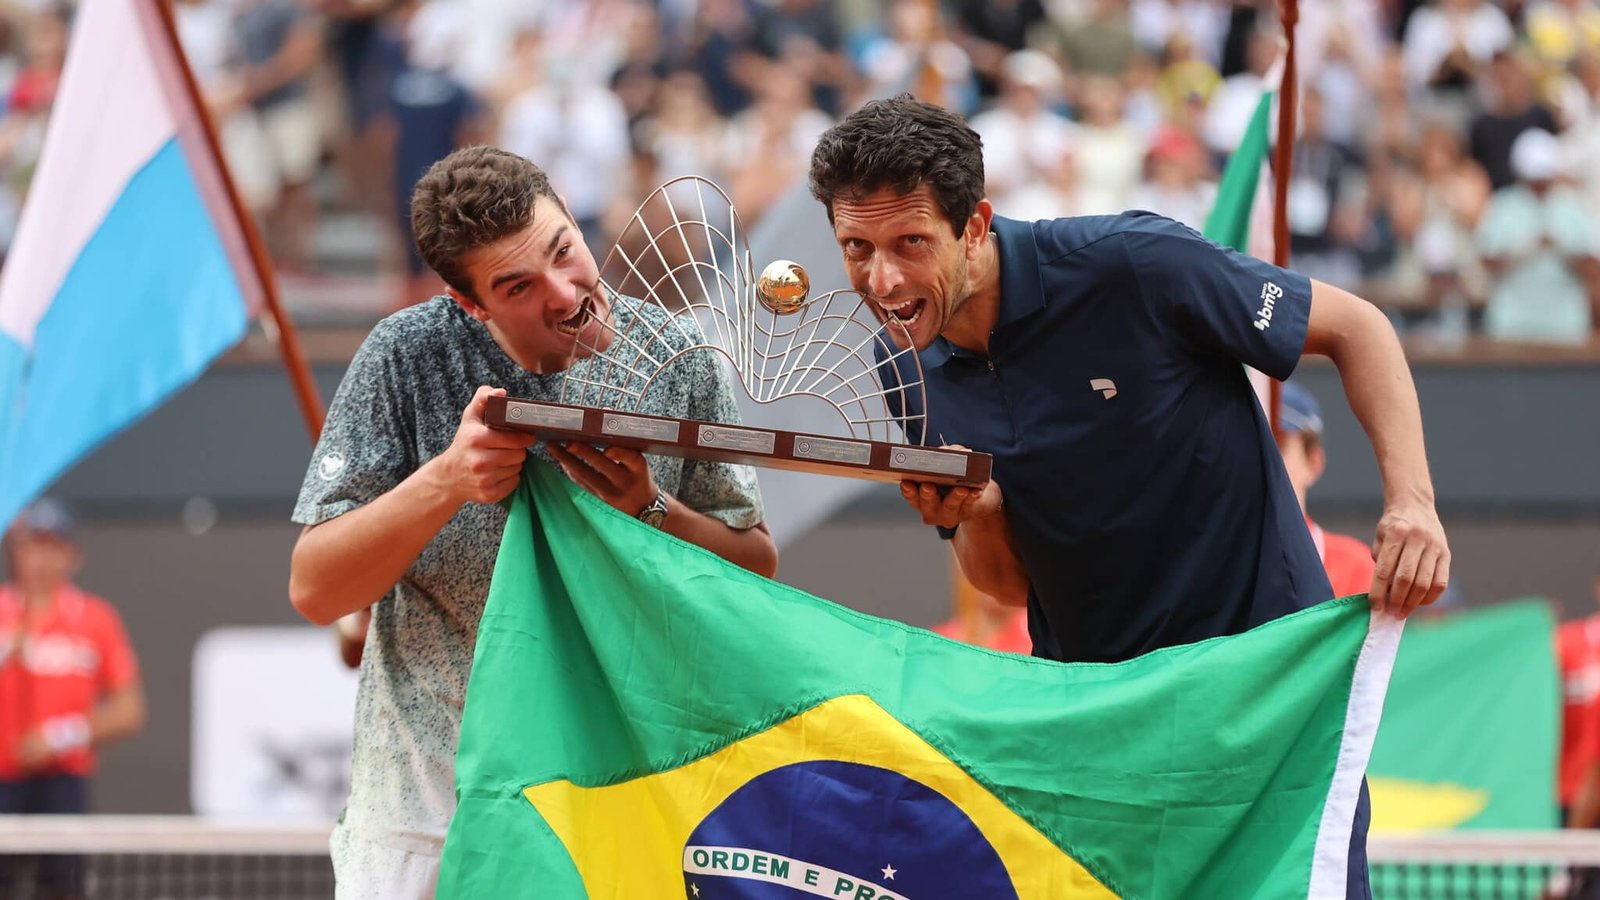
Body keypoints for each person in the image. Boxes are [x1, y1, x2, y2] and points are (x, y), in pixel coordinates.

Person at [807, 95, 1450, 898]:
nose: (884, 279)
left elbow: (1360, 329)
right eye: (856, 248)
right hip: (1099, 733)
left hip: (1264, 700)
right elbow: (1007, 584)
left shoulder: (1131, 261)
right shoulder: (899, 364)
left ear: (975, 226)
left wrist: (1413, 503)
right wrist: (979, 514)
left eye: (910, 243)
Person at [287, 146, 778, 899]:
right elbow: (316, 589)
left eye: (564, 250)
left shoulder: (681, 359)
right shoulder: (404, 354)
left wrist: (651, 509)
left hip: (618, 788)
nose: (565, 292)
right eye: (518, 286)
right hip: (429, 811)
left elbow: (756, 567)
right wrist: (446, 481)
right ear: (471, 306)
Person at [1, 498, 146, 900]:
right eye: (33, 544)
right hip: (2, 782)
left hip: (62, 784)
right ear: (16, 551)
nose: (43, 558)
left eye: (54, 546)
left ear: (73, 556)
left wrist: (60, 736)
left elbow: (129, 710)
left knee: (63, 889)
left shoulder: (96, 619)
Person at [1276, 381, 1378, 598]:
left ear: (1313, 463)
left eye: (1277, 445)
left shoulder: (1356, 569)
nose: (1262, 460)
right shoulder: (1205, 566)